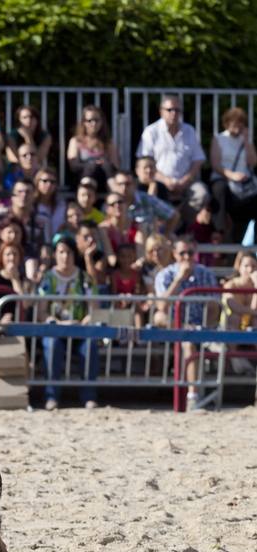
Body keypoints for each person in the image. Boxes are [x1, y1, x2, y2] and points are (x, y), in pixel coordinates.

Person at [154, 235, 219, 410]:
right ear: (174, 254)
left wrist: (205, 328)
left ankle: (195, 395)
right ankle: (193, 397)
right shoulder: (165, 275)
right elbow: (161, 306)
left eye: (190, 253)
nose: (187, 257)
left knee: (193, 341)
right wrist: (179, 280)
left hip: (201, 326)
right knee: (164, 320)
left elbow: (215, 307)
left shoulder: (206, 273)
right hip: (174, 326)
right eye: (182, 253)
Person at [36, 236, 98, 410]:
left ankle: (89, 396)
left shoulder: (84, 277)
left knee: (90, 346)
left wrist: (85, 321)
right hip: (56, 329)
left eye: (69, 252)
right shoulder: (48, 278)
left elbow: (94, 308)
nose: (65, 256)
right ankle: (51, 396)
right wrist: (53, 321)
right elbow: (42, 311)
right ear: (55, 254)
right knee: (52, 345)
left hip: (80, 329)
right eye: (61, 252)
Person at [136, 95, 209, 226]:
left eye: (177, 110)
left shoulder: (189, 131)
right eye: (169, 110)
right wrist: (166, 180)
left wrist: (185, 180)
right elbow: (145, 161)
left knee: (201, 193)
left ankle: (182, 225)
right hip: (159, 180)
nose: (174, 113)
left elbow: (198, 159)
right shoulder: (151, 131)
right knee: (153, 194)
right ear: (161, 111)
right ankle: (162, 229)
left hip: (186, 182)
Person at [209, 107, 257, 242]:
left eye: (241, 123)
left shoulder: (245, 140)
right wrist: (232, 176)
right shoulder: (219, 139)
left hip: (244, 182)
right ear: (227, 123)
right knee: (220, 189)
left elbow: (253, 162)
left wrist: (247, 141)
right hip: (223, 178)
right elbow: (216, 164)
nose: (238, 126)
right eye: (235, 123)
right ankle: (219, 230)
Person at [67, 105, 119, 191]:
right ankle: (86, 193)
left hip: (104, 179)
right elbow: (73, 166)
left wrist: (102, 163)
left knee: (106, 164)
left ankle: (116, 194)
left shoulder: (108, 142)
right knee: (91, 166)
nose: (93, 124)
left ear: (102, 122)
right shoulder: (76, 141)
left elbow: (115, 166)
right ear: (83, 122)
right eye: (89, 120)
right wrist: (92, 163)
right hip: (82, 178)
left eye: (97, 120)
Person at [33, 167, 66, 243]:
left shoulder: (61, 205)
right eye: (45, 181)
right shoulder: (31, 205)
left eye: (52, 182)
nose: (49, 184)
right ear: (37, 182)